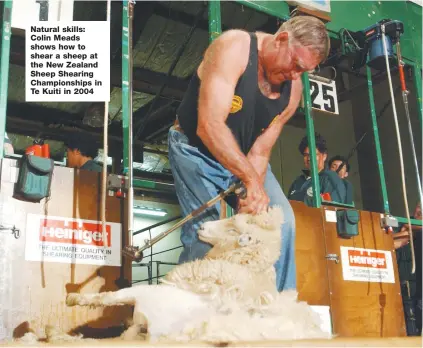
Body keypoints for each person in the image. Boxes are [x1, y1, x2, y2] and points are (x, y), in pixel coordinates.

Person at [168, 15, 330, 292]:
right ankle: (196, 315)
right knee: (207, 232)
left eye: (303, 70)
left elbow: (260, 150)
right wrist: (251, 181)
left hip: (241, 156)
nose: (294, 75)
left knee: (281, 221)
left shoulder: (294, 90)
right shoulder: (234, 49)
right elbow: (209, 126)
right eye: (295, 64)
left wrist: (252, 191)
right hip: (196, 149)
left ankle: (271, 312)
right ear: (280, 39)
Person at [288, 133, 347, 205]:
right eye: (306, 155)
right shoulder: (298, 181)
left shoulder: (330, 179)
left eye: (314, 154)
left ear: (324, 156)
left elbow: (331, 209)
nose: (309, 158)